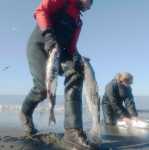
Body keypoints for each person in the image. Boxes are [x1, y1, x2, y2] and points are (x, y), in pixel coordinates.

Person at [20, 0, 94, 149]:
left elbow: (72, 48)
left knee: (76, 70)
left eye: (92, 4)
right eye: (90, 1)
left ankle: (72, 132)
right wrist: (48, 36)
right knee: (41, 89)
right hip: (40, 45)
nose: (90, 5)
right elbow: (41, 11)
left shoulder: (78, 22)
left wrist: (78, 57)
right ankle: (25, 113)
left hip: (59, 53)